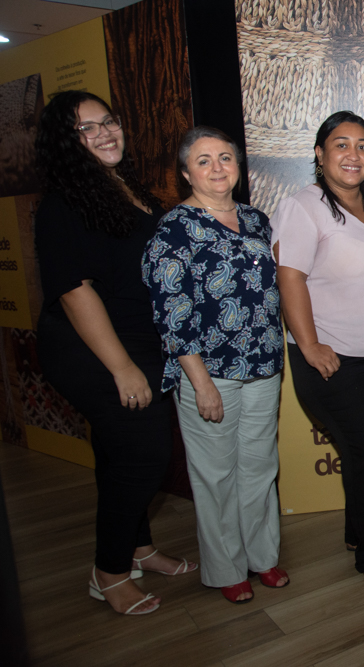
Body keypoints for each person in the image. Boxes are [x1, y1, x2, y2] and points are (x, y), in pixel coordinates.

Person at [33, 91, 197, 616]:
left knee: (118, 451)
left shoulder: (123, 186)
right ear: (66, 142)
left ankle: (138, 549)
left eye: (108, 121)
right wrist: (122, 368)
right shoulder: (62, 203)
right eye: (87, 128)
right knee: (144, 454)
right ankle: (108, 571)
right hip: (93, 348)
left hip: (139, 341)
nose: (104, 132)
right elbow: (73, 290)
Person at [142, 127, 287, 604]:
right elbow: (171, 312)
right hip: (208, 373)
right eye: (203, 160)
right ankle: (226, 568)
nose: (217, 167)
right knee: (216, 474)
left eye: (225, 157)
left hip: (264, 364)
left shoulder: (256, 220)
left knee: (259, 468)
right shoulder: (174, 229)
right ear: (186, 173)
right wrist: (200, 383)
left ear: (238, 166)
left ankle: (262, 557)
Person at [272, 111, 364, 596]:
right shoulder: (302, 207)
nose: (353, 155)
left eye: (363, 145)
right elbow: (289, 278)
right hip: (337, 358)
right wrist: (309, 344)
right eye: (341, 144)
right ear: (320, 153)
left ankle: (361, 531)